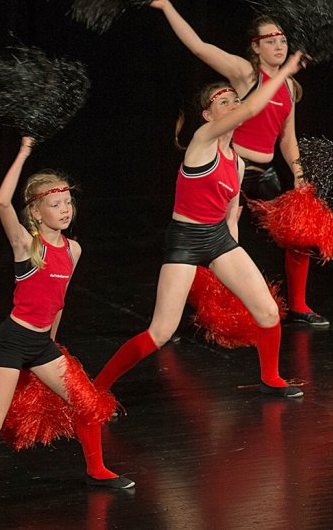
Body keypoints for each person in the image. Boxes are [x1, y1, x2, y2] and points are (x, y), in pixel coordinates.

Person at [0, 138, 132, 518]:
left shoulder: (73, 250)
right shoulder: (26, 245)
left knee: (88, 405)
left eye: (68, 203)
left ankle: (96, 471)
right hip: (13, 341)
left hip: (42, 345)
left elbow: (58, 302)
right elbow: (2, 202)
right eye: (55, 204)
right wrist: (22, 153)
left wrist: (53, 347)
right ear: (35, 211)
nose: (65, 210)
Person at [92, 48, 306, 398]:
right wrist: (285, 72)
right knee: (161, 331)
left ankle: (270, 377)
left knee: (268, 311)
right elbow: (253, 107)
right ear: (208, 115)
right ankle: (97, 388)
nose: (233, 105)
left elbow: (231, 216)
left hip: (219, 239)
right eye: (223, 102)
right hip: (185, 240)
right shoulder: (202, 142)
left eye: (235, 99)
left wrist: (232, 266)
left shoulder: (237, 162)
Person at [150, 0, 327, 326]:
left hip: (266, 173)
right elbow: (199, 47)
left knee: (299, 233)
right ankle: (188, 314)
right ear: (256, 47)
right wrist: (167, 6)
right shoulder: (246, 74)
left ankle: (299, 307)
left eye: (283, 40)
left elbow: (287, 137)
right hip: (233, 171)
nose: (279, 46)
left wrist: (298, 172)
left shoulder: (289, 87)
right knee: (217, 244)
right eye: (270, 41)